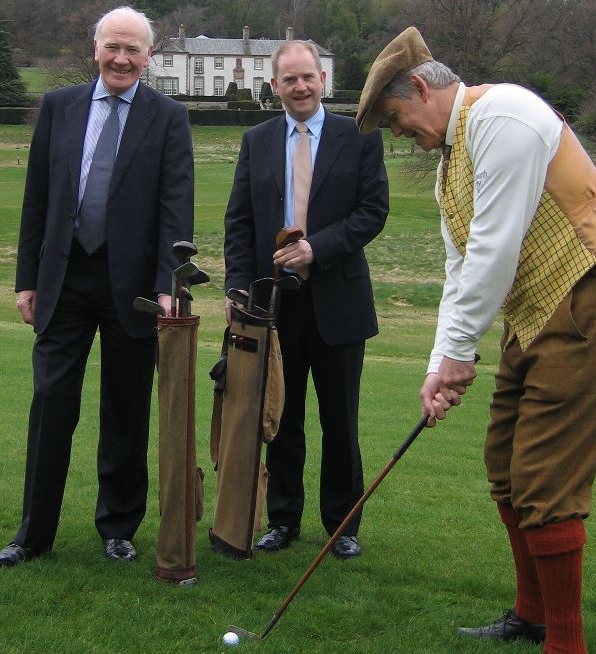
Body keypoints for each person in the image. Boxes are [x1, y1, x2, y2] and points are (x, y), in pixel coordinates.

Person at [356, 27, 596, 653]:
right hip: (536, 315)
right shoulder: (448, 168)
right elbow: (459, 271)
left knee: (544, 476)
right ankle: (533, 614)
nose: (399, 134)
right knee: (506, 465)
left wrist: (462, 354)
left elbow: (495, 249)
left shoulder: (504, 116)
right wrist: (440, 364)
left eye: (395, 118)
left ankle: (564, 642)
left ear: (418, 87)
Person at [0, 6, 194, 568]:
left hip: (134, 289)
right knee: (51, 405)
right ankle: (33, 535)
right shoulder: (59, 108)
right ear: (95, 48)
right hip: (65, 279)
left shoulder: (168, 118)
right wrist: (26, 279)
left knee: (126, 412)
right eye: (113, 47)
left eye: (133, 49)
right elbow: (37, 201)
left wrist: (168, 285)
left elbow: (177, 211)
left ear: (149, 55)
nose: (121, 58)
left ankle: (118, 528)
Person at [223, 40, 389, 559]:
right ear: (275, 86)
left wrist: (317, 248)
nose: (299, 87)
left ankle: (342, 527)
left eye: (307, 77)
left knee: (341, 421)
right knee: (282, 417)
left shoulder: (358, 136)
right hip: (274, 306)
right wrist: (237, 288)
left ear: (324, 80)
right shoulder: (257, 140)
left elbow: (372, 212)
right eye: (288, 79)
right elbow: (240, 222)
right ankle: (283, 519)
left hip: (338, 302)